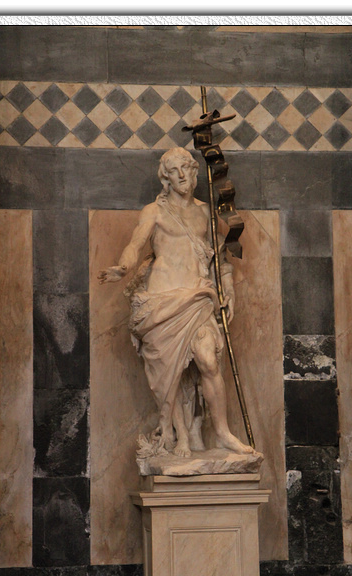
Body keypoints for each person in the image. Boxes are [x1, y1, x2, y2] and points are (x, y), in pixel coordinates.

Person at [98, 147, 254, 457]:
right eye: (174, 170)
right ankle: (181, 435)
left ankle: (222, 433)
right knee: (172, 374)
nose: (182, 175)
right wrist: (124, 267)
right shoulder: (154, 211)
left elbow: (219, 257)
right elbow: (135, 244)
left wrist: (229, 290)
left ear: (195, 172)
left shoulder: (205, 212)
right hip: (161, 303)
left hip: (197, 298)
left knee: (208, 361)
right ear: (165, 178)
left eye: (186, 168)